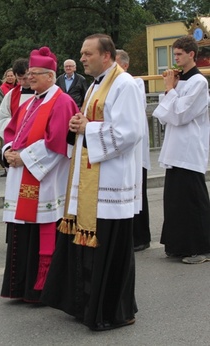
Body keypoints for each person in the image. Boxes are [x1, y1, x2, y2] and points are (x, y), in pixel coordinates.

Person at [41, 34, 144, 331]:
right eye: (82, 54)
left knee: (110, 248)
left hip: (110, 181)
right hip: (89, 178)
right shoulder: (97, 84)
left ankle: (113, 310)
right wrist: (79, 125)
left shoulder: (123, 84)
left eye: (88, 54)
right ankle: (87, 304)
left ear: (107, 55)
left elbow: (130, 132)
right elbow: (94, 125)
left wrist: (89, 127)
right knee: (89, 248)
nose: (82, 58)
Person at [0, 47, 78, 303]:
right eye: (29, 73)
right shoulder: (32, 101)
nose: (28, 78)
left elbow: (56, 142)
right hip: (22, 174)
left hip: (45, 180)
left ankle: (41, 288)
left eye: (34, 74)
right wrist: (9, 151)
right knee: (22, 233)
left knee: (42, 232)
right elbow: (12, 131)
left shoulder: (61, 101)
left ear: (49, 75)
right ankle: (21, 286)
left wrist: (24, 157)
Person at [152, 35, 210, 264]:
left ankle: (199, 248)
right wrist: (172, 88)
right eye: (174, 54)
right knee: (175, 200)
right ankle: (178, 245)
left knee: (192, 199)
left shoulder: (199, 82)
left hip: (190, 146)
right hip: (175, 146)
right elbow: (166, 116)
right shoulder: (180, 81)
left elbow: (181, 115)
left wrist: (169, 89)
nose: (174, 59)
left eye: (178, 54)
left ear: (191, 54)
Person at [116, 49, 151, 252]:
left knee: (138, 192)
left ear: (126, 65)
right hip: (122, 146)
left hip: (135, 148)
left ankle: (141, 237)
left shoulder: (133, 82)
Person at [0, 58, 34, 140]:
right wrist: (16, 125)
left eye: (25, 78)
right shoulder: (11, 95)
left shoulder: (41, 91)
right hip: (17, 138)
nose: (22, 82)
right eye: (19, 79)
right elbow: (2, 118)